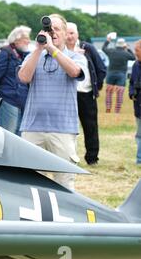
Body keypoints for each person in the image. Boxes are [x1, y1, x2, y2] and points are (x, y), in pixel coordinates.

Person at [18, 14, 87, 191]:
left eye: (57, 29)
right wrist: (39, 49)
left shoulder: (76, 57)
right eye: (50, 29)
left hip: (63, 128)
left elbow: (74, 72)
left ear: (65, 33)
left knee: (64, 183)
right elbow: (24, 77)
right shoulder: (35, 55)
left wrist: (52, 50)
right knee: (29, 182)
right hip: (33, 127)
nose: (53, 32)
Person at [66, 22, 107, 166]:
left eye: (72, 33)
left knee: (90, 127)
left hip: (86, 93)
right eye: (67, 33)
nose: (69, 36)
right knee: (68, 127)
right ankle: (68, 157)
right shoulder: (60, 50)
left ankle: (92, 158)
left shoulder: (87, 48)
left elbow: (101, 68)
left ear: (77, 34)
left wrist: (97, 87)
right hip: (67, 94)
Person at [0, 25, 31, 135]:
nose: (28, 41)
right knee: (8, 135)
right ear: (16, 40)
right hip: (8, 100)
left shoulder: (24, 56)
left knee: (20, 136)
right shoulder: (6, 53)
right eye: (26, 39)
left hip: (21, 101)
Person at [103, 36, 135, 113]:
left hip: (111, 73)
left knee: (109, 92)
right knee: (119, 94)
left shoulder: (111, 51)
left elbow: (104, 48)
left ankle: (108, 108)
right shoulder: (126, 53)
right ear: (123, 45)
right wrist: (128, 49)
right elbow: (133, 57)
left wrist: (107, 41)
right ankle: (117, 110)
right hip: (121, 74)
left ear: (116, 44)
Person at [129, 40, 141, 164]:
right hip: (138, 105)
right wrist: (132, 93)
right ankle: (139, 159)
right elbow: (131, 82)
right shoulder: (135, 65)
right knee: (139, 134)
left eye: (137, 50)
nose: (135, 53)